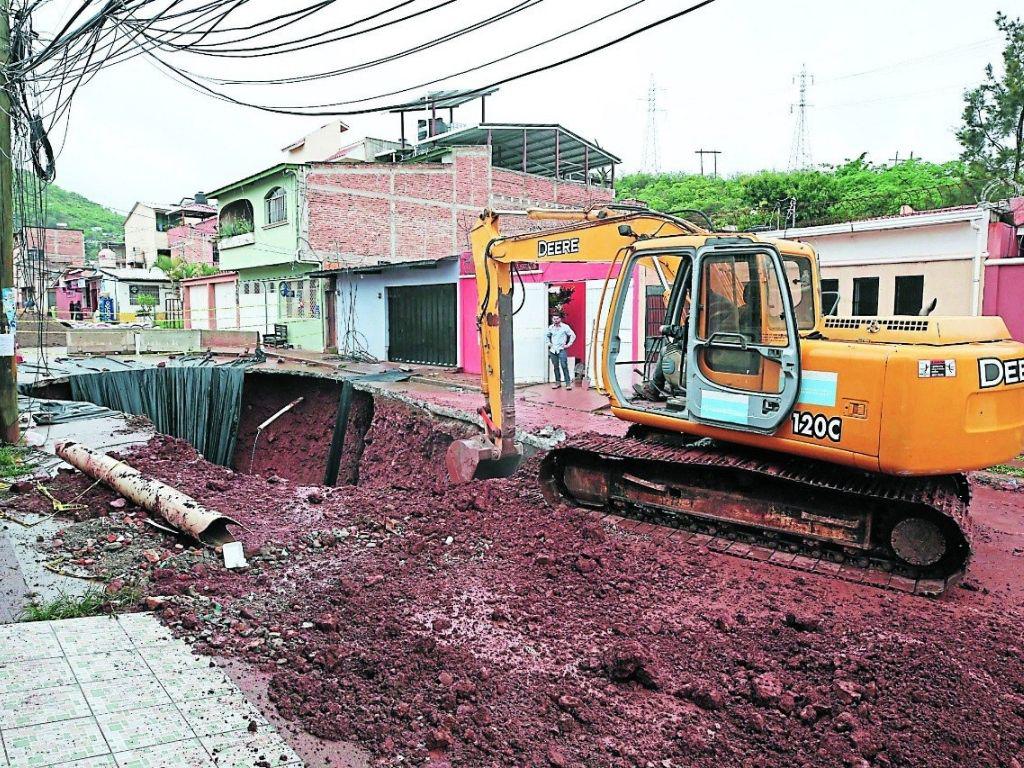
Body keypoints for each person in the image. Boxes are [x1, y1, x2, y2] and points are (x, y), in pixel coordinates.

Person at [546, 313, 576, 390]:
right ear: (552, 319)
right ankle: (557, 382)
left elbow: (573, 335)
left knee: (564, 365)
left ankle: (568, 383)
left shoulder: (565, 327)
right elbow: (547, 336)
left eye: (557, 319)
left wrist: (568, 344)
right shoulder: (551, 327)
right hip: (553, 350)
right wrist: (549, 344)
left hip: (561, 349)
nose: (555, 320)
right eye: (554, 319)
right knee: (555, 366)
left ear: (560, 319)